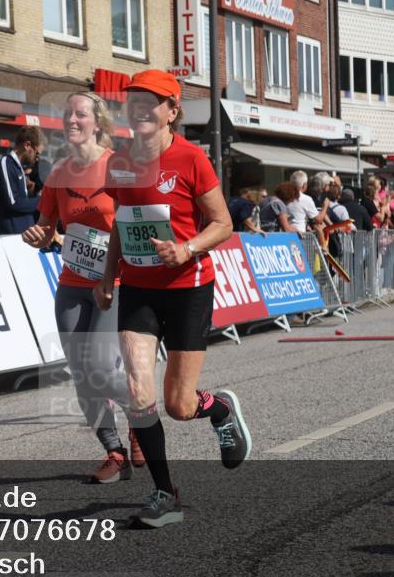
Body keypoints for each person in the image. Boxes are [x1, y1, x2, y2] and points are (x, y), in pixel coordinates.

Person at [94, 69, 251, 528]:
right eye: (134, 102)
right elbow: (123, 223)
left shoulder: (191, 159)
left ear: (171, 112)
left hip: (188, 287)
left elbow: (223, 223)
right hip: (139, 289)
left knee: (179, 406)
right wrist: (108, 277)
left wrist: (185, 248)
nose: (140, 109)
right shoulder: (118, 163)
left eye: (152, 102)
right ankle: (165, 493)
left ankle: (218, 408)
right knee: (139, 393)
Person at [21, 92, 143, 484]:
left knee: (102, 370)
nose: (72, 120)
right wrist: (37, 234)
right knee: (79, 372)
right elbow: (47, 231)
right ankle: (114, 451)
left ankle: (141, 414)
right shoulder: (57, 173)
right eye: (67, 114)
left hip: (115, 283)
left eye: (80, 114)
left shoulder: (118, 167)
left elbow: (137, 221)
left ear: (98, 123)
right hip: (72, 284)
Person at [0, 126, 45, 235]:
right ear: (27, 145)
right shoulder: (6, 164)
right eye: (37, 153)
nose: (37, 158)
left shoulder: (18, 167)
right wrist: (41, 200)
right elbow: (13, 203)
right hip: (11, 240)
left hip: (23, 238)